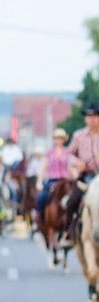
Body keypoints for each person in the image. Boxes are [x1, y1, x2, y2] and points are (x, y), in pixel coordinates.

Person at [64, 101, 99, 242]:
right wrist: (78, 163)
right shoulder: (79, 136)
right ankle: (69, 232)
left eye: (95, 116)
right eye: (89, 116)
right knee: (72, 202)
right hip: (86, 176)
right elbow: (68, 154)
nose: (91, 119)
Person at [35, 128, 79, 219]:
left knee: (75, 197)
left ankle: (76, 217)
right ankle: (40, 218)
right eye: (57, 138)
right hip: (52, 181)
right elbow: (44, 168)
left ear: (64, 139)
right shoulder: (49, 153)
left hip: (65, 181)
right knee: (42, 197)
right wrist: (39, 181)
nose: (59, 140)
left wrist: (75, 176)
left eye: (61, 138)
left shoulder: (68, 152)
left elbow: (71, 166)